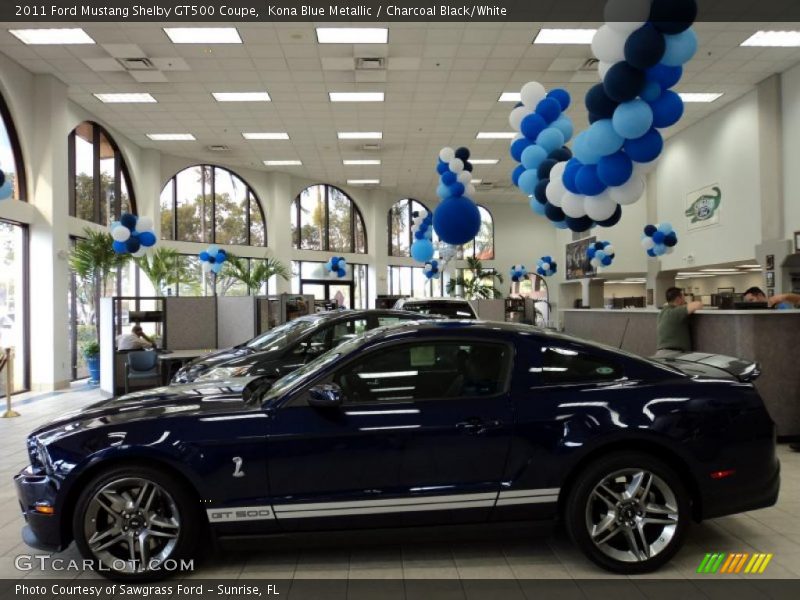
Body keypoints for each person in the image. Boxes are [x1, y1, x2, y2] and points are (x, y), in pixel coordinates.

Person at [655, 287, 704, 357]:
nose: (685, 300)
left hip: (662, 353)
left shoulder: (662, 312)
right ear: (678, 299)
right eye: (684, 297)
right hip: (673, 355)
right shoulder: (676, 312)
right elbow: (698, 304)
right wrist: (686, 305)